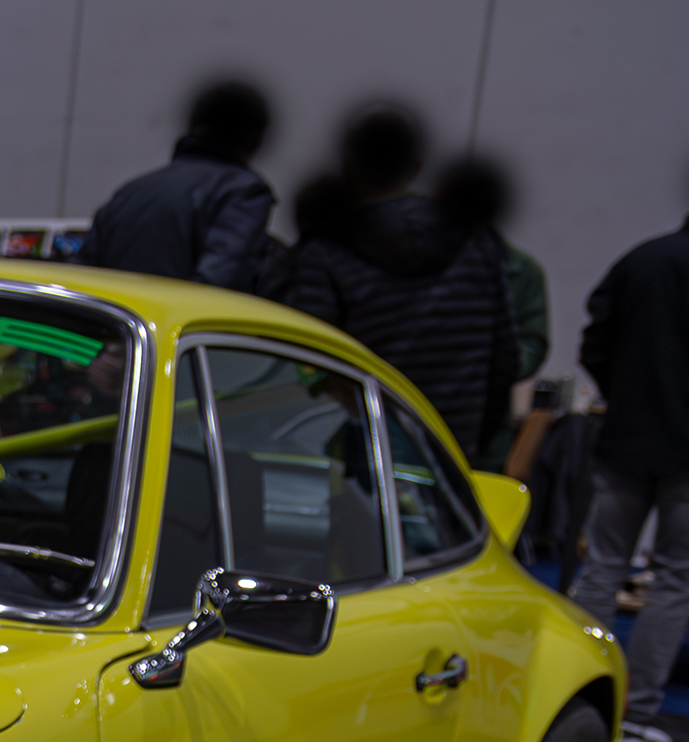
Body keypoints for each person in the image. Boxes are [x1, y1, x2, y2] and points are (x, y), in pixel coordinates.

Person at [565, 146, 689, 742]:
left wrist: (623, 395)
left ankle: (572, 699)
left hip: (626, 437)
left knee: (602, 568)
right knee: (676, 581)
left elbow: (594, 341)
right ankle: (638, 713)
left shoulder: (643, 258)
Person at [281, 106, 518, 461]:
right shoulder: (478, 244)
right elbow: (505, 361)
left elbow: (309, 360)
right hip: (454, 452)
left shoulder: (326, 252)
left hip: (367, 456)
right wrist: (473, 444)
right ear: (417, 165)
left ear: (346, 165)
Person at [76, 79, 275, 290]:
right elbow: (219, 286)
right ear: (258, 138)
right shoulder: (244, 192)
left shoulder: (131, 191)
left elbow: (83, 275)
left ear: (190, 125)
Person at [436, 157, 549, 471]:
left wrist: (488, 370)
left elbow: (532, 342)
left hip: (483, 423)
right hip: (415, 408)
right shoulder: (420, 262)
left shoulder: (518, 270)